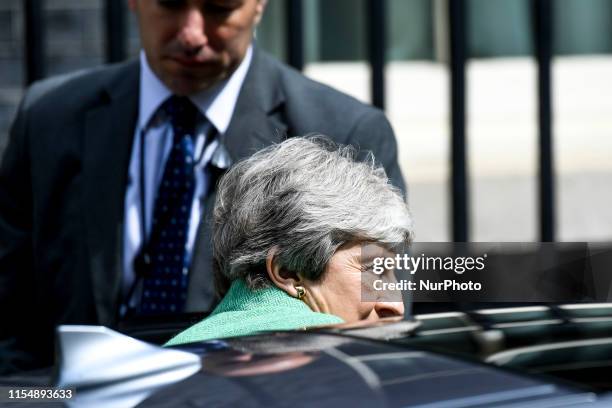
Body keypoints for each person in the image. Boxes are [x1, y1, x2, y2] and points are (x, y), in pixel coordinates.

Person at [0, 0, 405, 373]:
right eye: (170, 3)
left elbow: (379, 315)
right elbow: (11, 316)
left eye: (219, 8)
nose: (192, 33)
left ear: (259, 4)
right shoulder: (49, 118)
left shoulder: (345, 131)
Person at [166, 137, 412, 345]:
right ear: (287, 271)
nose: (396, 306)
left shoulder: (168, 355)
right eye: (373, 270)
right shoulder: (333, 351)